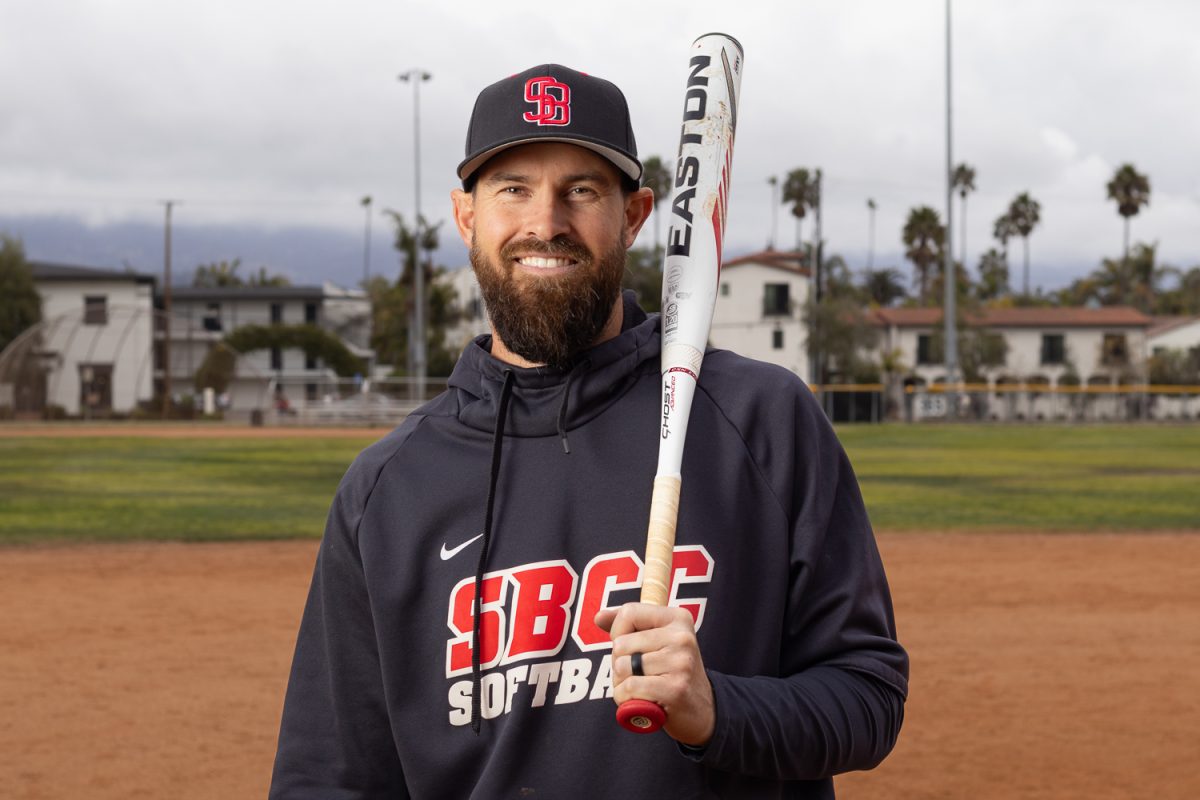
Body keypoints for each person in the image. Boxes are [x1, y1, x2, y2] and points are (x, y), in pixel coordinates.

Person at [270, 63, 908, 799]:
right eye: (514, 188)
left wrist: (716, 709)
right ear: (465, 214)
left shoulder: (759, 420)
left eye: (582, 190)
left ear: (634, 215)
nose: (546, 223)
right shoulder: (387, 490)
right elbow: (328, 778)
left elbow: (867, 695)